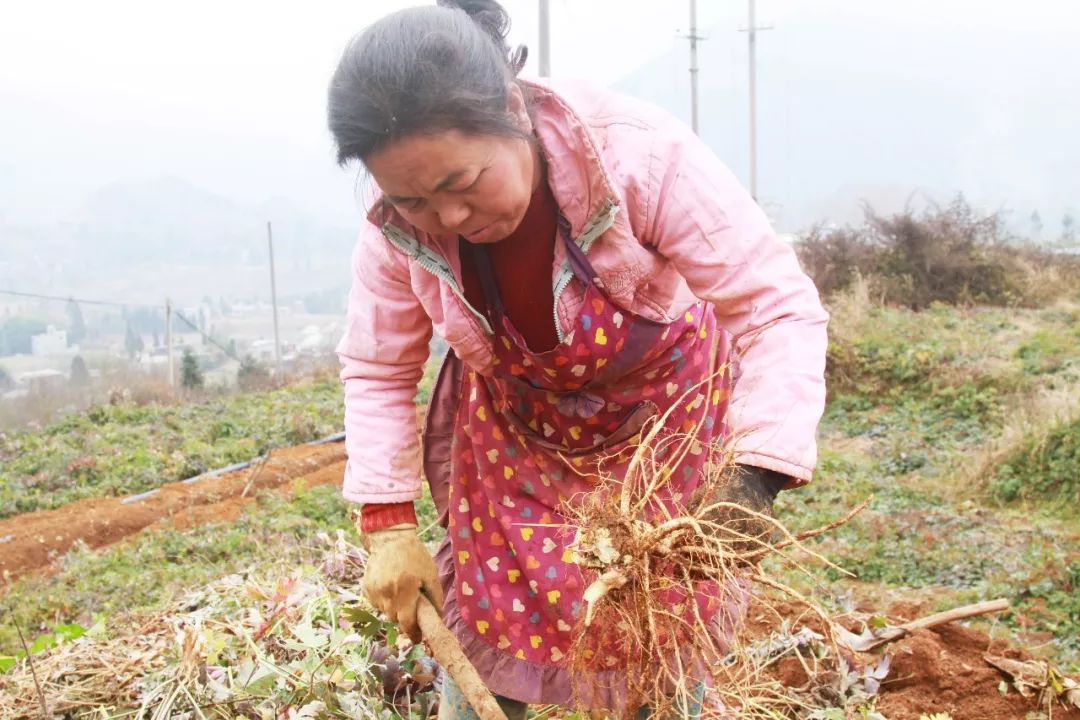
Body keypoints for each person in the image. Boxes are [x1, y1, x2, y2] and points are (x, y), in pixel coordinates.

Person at [327, 1, 828, 716]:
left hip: (662, 428)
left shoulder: (638, 156)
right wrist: (388, 525)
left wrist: (757, 473)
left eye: (463, 185)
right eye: (414, 201)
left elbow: (775, 309)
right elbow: (379, 367)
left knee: (658, 630)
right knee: (489, 625)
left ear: (511, 110)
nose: (451, 221)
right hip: (517, 437)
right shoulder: (392, 229)